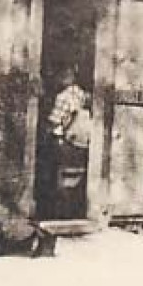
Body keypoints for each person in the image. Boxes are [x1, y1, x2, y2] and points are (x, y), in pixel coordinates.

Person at [45, 69, 93, 216]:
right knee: (78, 174)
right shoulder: (85, 95)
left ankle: (61, 212)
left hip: (65, 140)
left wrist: (47, 130)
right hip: (83, 141)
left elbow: (55, 121)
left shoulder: (62, 96)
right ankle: (75, 209)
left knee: (61, 175)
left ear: (65, 78)